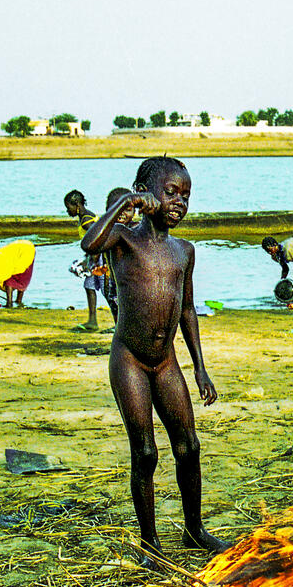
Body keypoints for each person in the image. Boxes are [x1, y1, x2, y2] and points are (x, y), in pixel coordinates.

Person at [80, 155, 226, 565]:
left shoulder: (184, 251)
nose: (179, 202)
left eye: (186, 195)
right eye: (169, 193)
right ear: (147, 194)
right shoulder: (123, 240)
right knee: (145, 453)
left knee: (189, 447)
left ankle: (194, 530)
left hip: (166, 363)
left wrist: (200, 367)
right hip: (130, 360)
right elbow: (89, 243)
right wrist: (125, 201)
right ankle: (150, 543)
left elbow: (188, 311)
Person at [65, 190, 112, 332]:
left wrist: (92, 259)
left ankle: (119, 322)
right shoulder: (86, 217)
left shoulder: (86, 220)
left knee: (108, 289)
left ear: (77, 204)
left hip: (101, 257)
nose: (68, 211)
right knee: (89, 286)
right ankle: (92, 321)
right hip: (94, 257)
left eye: (69, 207)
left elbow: (98, 238)